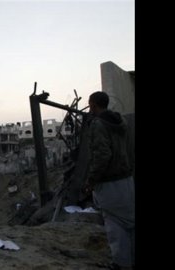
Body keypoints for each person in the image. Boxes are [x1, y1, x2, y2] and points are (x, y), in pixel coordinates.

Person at [85, 91, 135, 270]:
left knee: (115, 224)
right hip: (127, 180)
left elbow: (102, 155)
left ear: (94, 105)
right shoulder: (122, 123)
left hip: (110, 183)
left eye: (89, 104)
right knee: (130, 222)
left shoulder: (99, 125)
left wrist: (91, 179)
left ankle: (121, 263)